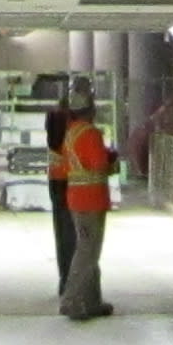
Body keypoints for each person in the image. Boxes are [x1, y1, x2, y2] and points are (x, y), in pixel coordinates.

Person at [57, 86, 116, 321]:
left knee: (88, 250)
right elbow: (100, 165)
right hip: (92, 199)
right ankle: (71, 300)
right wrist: (113, 161)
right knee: (88, 252)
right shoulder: (91, 133)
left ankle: (92, 301)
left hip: (76, 198)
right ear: (91, 108)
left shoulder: (71, 132)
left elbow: (65, 166)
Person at [42, 83, 75, 293]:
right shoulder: (72, 125)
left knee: (61, 232)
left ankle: (64, 278)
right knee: (73, 235)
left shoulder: (52, 120)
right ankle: (71, 279)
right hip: (72, 181)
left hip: (55, 179)